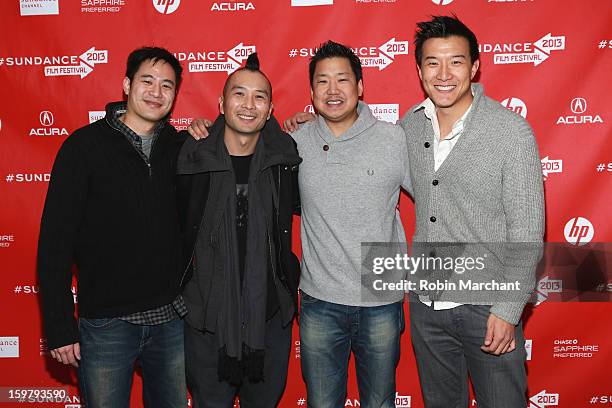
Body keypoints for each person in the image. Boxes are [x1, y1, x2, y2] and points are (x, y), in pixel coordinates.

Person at [398, 16, 544, 407]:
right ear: (419, 69)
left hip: (489, 307)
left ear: (475, 66)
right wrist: (311, 123)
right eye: (432, 63)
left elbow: (527, 230)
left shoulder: (511, 131)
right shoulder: (410, 127)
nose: (444, 74)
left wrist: (509, 309)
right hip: (427, 308)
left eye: (456, 61)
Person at [37, 47, 188, 407]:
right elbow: (54, 244)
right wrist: (59, 326)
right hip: (106, 324)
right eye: (147, 81)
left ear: (174, 96)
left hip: (171, 322)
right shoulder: (83, 147)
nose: (156, 92)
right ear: (126, 84)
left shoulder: (182, 147)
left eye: (166, 85)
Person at [176, 53, 301, 408]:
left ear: (270, 108)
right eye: (239, 94)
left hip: (269, 319)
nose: (249, 105)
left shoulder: (286, 158)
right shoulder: (191, 157)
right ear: (221, 103)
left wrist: (312, 126)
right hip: (207, 319)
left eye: (259, 96)